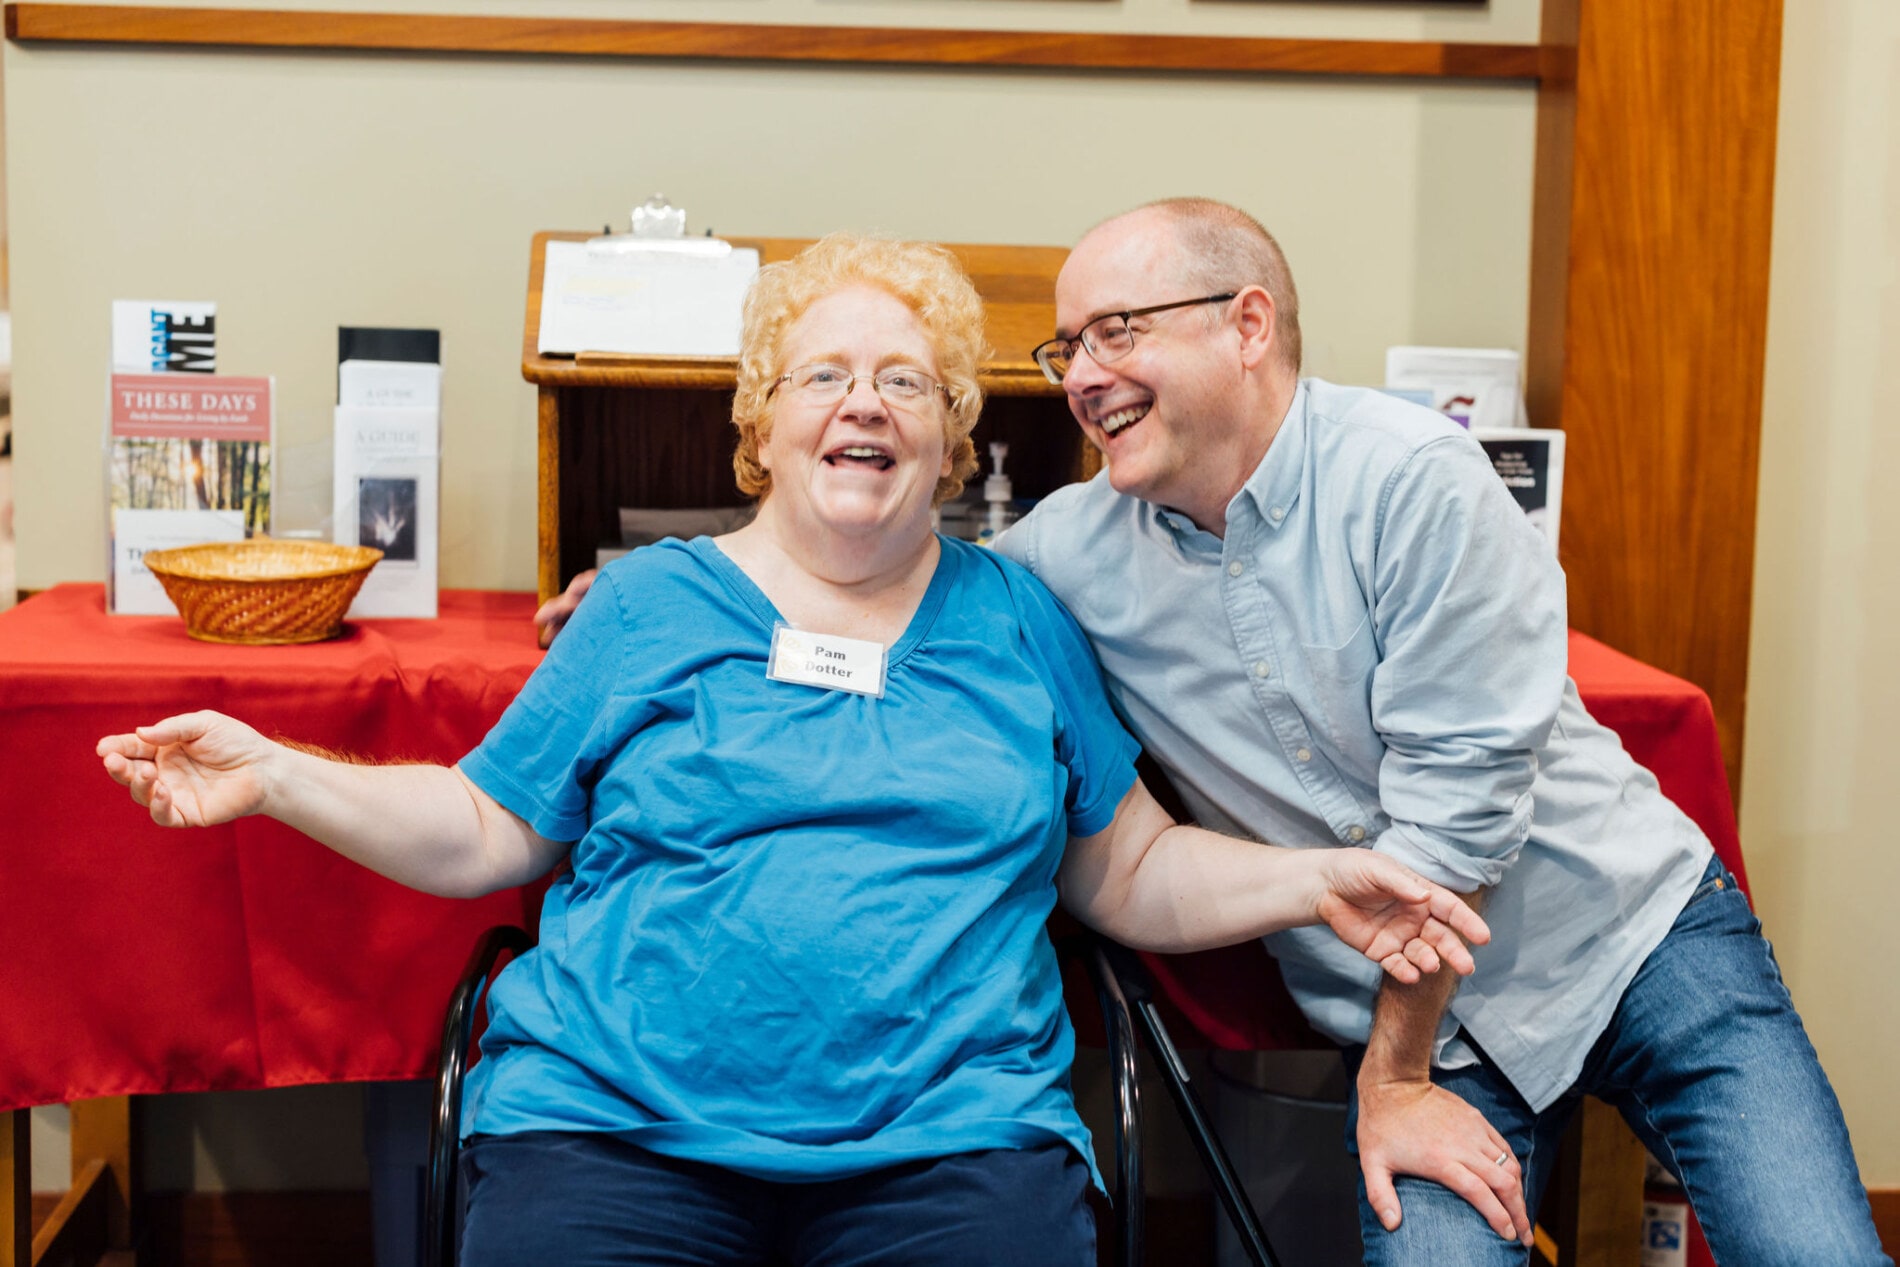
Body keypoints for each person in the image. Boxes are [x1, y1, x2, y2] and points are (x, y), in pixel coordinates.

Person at [102, 234, 1493, 1267]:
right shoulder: (648, 606)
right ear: (763, 421)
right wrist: (277, 773)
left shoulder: (1019, 616)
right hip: (617, 1128)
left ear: (953, 433)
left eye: (906, 379)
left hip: (951, 1147)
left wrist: (1316, 876)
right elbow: (481, 826)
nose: (865, 403)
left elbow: (1124, 865)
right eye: (824, 374)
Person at [996, 197, 1884, 1265]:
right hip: (1413, 1022)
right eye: (1067, 348)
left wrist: (1393, 1082)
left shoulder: (1412, 477)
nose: (1083, 376)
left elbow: (1453, 826)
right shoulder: (1063, 558)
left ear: (1246, 324)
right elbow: (918, 599)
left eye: (1118, 331)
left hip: (1626, 938)